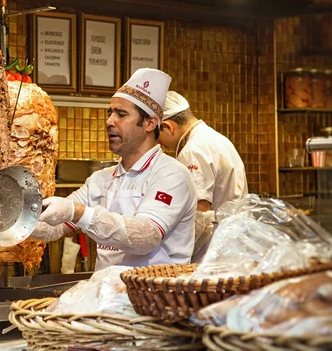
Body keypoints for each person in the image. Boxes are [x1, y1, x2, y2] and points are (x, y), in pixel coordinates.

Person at [29, 68, 198, 271]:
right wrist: (13, 218)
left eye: (121, 114)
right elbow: (52, 227)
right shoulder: (101, 179)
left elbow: (145, 237)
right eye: (110, 113)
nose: (109, 121)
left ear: (150, 123)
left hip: (155, 297)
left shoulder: (172, 175)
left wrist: (78, 212)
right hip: (107, 294)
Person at [158, 91, 248, 261]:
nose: (160, 145)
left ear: (168, 126)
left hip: (212, 252)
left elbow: (200, 214)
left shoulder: (193, 150)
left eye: (158, 137)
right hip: (232, 245)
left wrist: (175, 254)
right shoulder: (216, 139)